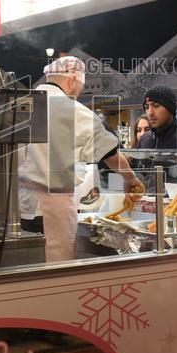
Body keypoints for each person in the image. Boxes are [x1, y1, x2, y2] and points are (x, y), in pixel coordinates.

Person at [19, 56, 144, 262]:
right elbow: (109, 154)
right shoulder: (74, 111)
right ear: (72, 80)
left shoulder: (21, 104)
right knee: (54, 273)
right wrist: (130, 179)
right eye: (80, 87)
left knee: (25, 269)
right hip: (54, 209)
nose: (78, 93)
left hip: (20, 205)